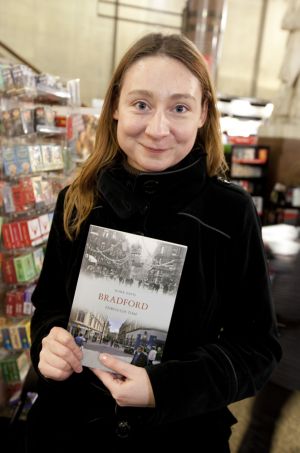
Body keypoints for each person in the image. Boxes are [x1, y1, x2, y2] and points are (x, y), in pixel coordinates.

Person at [26, 33, 281, 452]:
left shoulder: (230, 213)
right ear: (115, 108)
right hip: (68, 431)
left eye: (179, 107)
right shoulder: (77, 200)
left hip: (181, 438)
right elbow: (50, 306)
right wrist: (49, 343)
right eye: (141, 104)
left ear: (202, 114)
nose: (158, 129)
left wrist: (163, 388)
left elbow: (257, 347)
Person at [238, 242, 300, 453]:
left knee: (261, 424)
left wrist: (268, 301)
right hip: (290, 357)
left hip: (289, 357)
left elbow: (289, 304)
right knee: (263, 422)